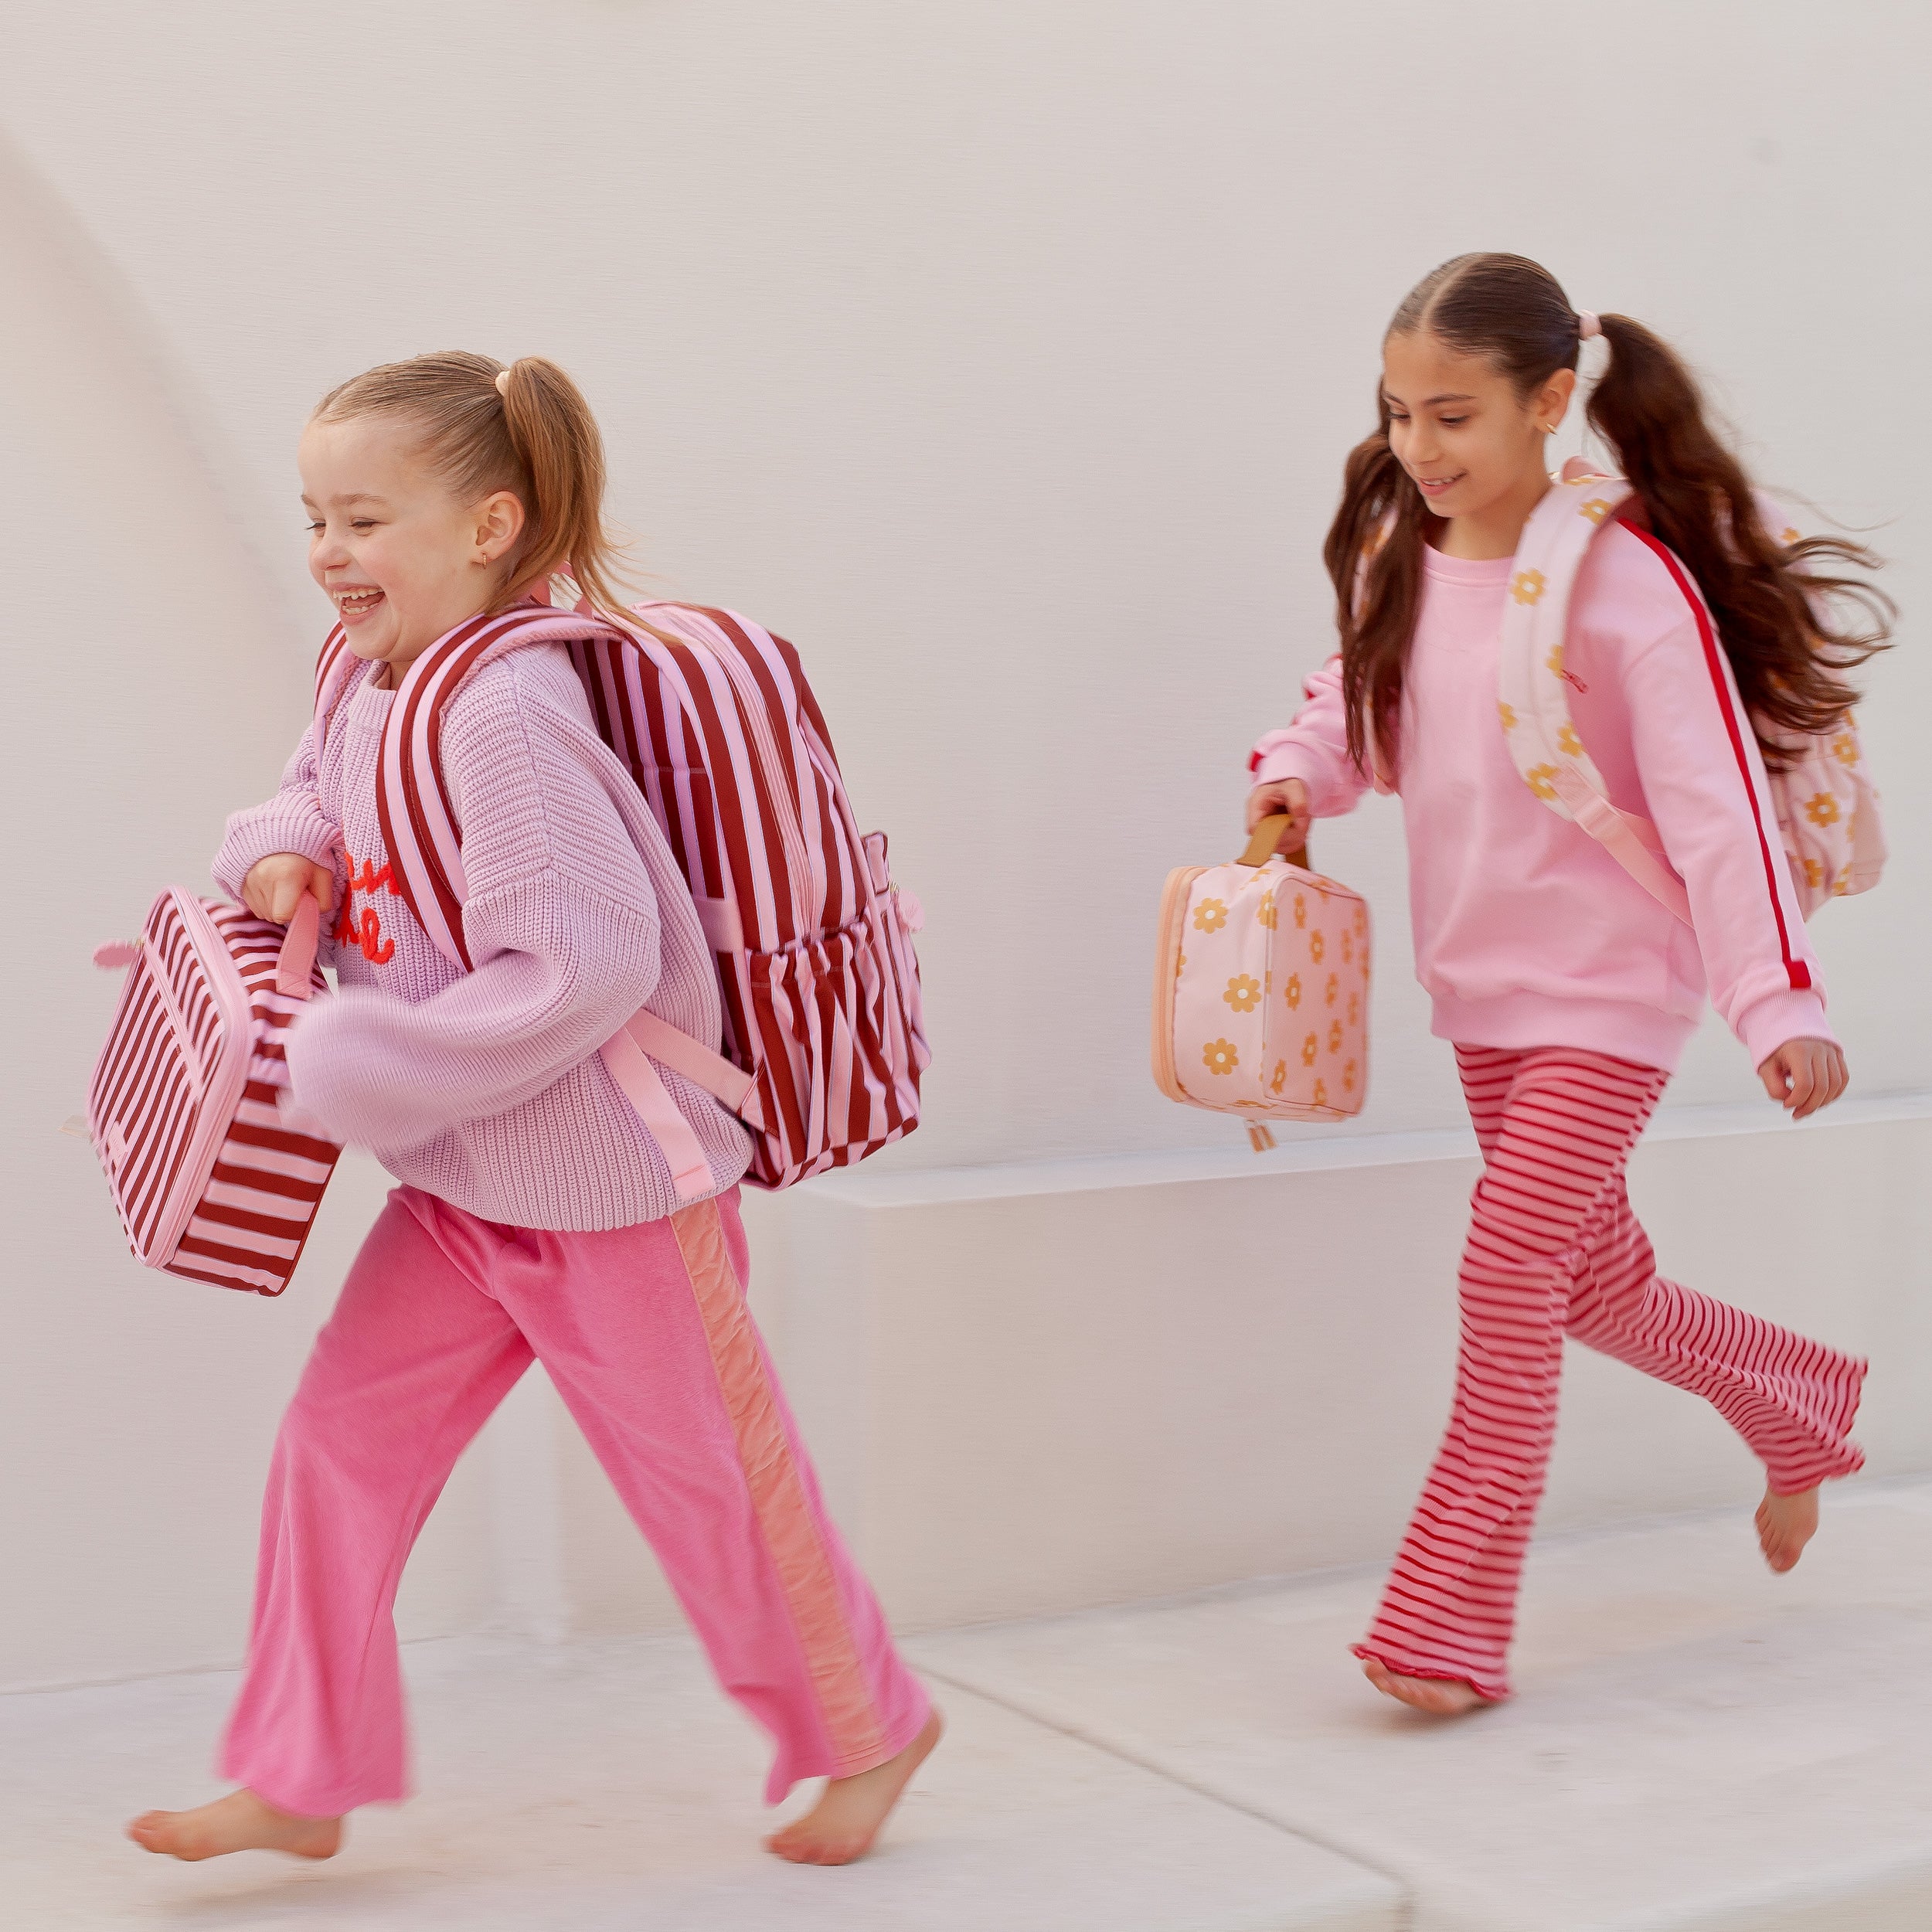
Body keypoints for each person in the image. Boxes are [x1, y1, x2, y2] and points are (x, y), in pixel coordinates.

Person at [128, 352, 940, 1865]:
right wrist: (279, 850)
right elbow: (311, 778)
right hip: (461, 1183)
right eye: (315, 514)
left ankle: (870, 1725)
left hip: (617, 1185)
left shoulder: (508, 714)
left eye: (362, 519)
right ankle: (304, 1768)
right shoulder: (365, 669)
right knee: (338, 1441)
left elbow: (579, 967)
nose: (326, 551)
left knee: (709, 1480)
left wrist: (383, 1058)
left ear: (490, 522)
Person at [1247, 253, 1886, 1714]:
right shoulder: (1401, 555)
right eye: (1401, 412)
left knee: (1508, 1271)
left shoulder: (1626, 587)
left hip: (1612, 992)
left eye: (1455, 414)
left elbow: (1718, 808)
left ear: (1552, 401)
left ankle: (1447, 1625)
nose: (1420, 446)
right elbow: (1351, 704)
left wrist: (1780, 1003)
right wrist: (1294, 780)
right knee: (1599, 1283)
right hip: (1479, 985)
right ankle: (1800, 1404)